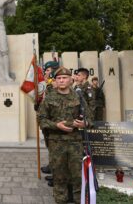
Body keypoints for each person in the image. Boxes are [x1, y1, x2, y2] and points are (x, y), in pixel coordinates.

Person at [38, 67, 93, 204]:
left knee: (77, 175)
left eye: (64, 78)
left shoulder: (78, 97)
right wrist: (56, 125)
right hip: (56, 143)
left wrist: (84, 123)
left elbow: (90, 119)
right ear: (55, 80)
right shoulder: (49, 98)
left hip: (75, 142)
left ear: (70, 80)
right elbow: (41, 120)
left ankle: (78, 199)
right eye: (59, 78)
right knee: (59, 175)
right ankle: (60, 200)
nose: (61, 80)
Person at [40, 60, 59, 185]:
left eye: (47, 70)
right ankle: (53, 169)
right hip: (49, 122)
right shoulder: (49, 85)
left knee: (56, 150)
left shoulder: (54, 84)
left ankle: (57, 175)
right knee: (52, 148)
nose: (45, 73)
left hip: (55, 123)